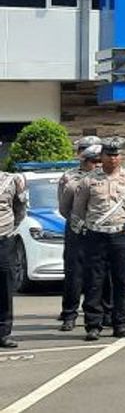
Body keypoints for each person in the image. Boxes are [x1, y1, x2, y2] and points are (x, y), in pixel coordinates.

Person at [73, 137, 125, 341]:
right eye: (109, 155)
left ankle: (121, 323)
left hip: (120, 234)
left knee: (122, 280)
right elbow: (79, 209)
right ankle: (93, 325)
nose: (113, 159)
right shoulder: (88, 180)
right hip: (96, 234)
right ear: (101, 157)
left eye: (116, 155)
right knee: (94, 281)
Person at [56, 136, 101, 332]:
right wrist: (77, 221)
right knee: (74, 274)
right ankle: (69, 314)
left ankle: (101, 314)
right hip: (76, 229)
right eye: (85, 152)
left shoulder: (105, 176)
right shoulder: (69, 177)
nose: (94, 162)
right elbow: (64, 207)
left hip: (98, 230)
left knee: (99, 274)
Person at [0, 148, 28, 349]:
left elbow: (20, 209)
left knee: (4, 287)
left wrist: (9, 228)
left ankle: (3, 332)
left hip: (4, 240)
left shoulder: (11, 181)